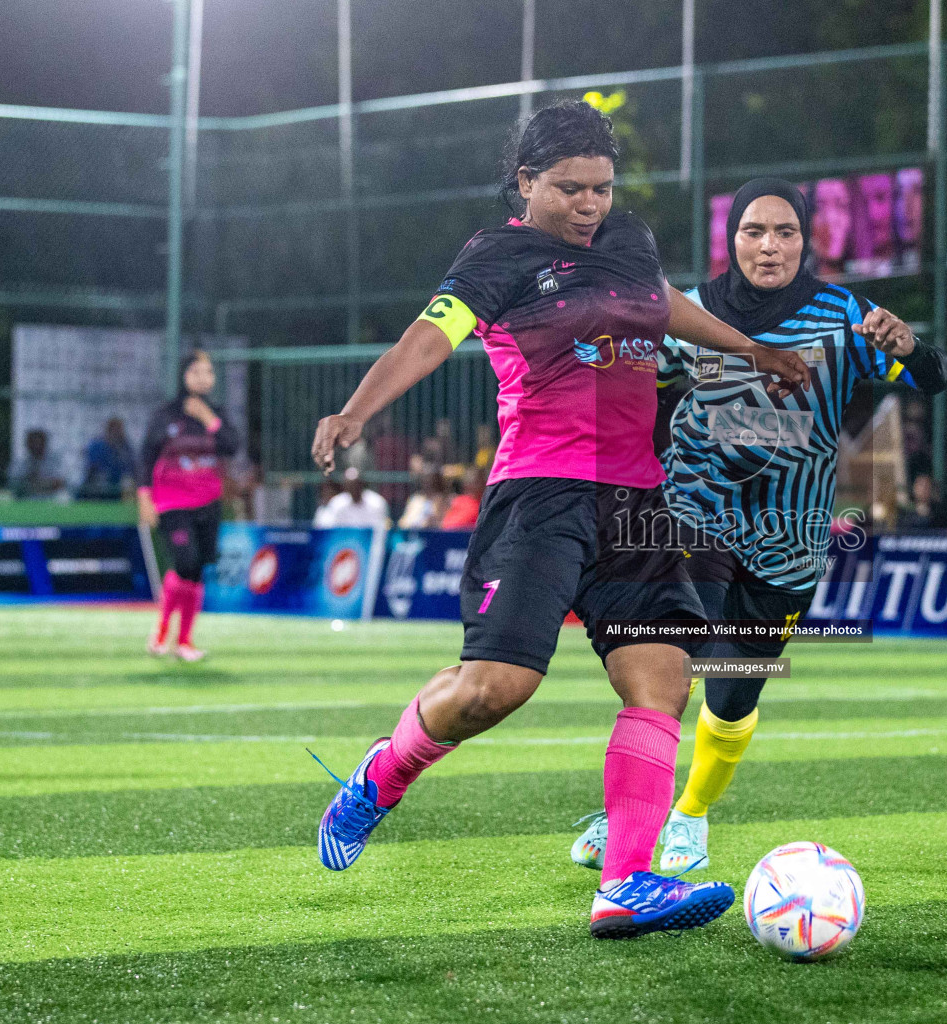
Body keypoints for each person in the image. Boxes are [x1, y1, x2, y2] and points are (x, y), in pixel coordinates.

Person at [306, 101, 809, 940]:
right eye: (569, 188)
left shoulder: (629, 240)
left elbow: (662, 303)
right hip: (540, 495)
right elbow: (429, 340)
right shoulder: (498, 257)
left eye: (602, 189)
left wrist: (749, 350)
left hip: (637, 501)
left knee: (660, 681)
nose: (589, 205)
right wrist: (358, 411)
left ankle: (627, 883)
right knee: (496, 690)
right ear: (525, 182)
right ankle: (380, 778)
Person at [568, 177, 947, 876]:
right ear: (731, 238)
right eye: (753, 231)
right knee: (671, 670)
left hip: (790, 541)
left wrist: (910, 346)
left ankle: (691, 815)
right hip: (696, 518)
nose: (768, 246)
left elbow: (935, 378)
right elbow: (631, 381)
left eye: (784, 233)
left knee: (732, 691)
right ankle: (637, 817)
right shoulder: (695, 309)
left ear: (805, 241)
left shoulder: (843, 314)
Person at [138, 349, 240, 662]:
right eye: (196, 372)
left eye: (208, 372)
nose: (203, 378)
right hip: (172, 501)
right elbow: (146, 456)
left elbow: (232, 446)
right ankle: (161, 631)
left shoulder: (216, 413)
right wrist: (144, 497)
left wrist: (208, 418)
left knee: (196, 570)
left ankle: (184, 641)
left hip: (208, 502)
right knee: (185, 560)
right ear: (184, 376)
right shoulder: (166, 414)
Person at [79, 417, 137, 500]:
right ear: (108, 430)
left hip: (119, 490)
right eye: (114, 430)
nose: (116, 433)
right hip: (97, 490)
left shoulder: (125, 447)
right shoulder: (98, 445)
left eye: (119, 430)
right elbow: (91, 470)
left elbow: (131, 469)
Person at [313, 467, 389, 528]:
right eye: (350, 486)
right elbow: (332, 529)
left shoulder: (377, 503)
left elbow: (380, 530)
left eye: (356, 485)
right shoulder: (337, 504)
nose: (353, 489)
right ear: (345, 487)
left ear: (361, 484)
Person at [8, 429, 68, 499]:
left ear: (44, 443)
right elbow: (14, 484)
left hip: (50, 498)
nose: (36, 446)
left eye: (38, 442)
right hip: (27, 499)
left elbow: (59, 483)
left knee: (64, 497)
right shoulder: (21, 462)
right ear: (27, 444)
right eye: (32, 442)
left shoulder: (55, 461)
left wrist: (37, 484)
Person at [439, 465, 486, 530]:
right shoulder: (458, 501)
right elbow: (446, 524)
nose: (483, 483)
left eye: (483, 480)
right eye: (477, 481)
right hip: (452, 535)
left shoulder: (486, 503)